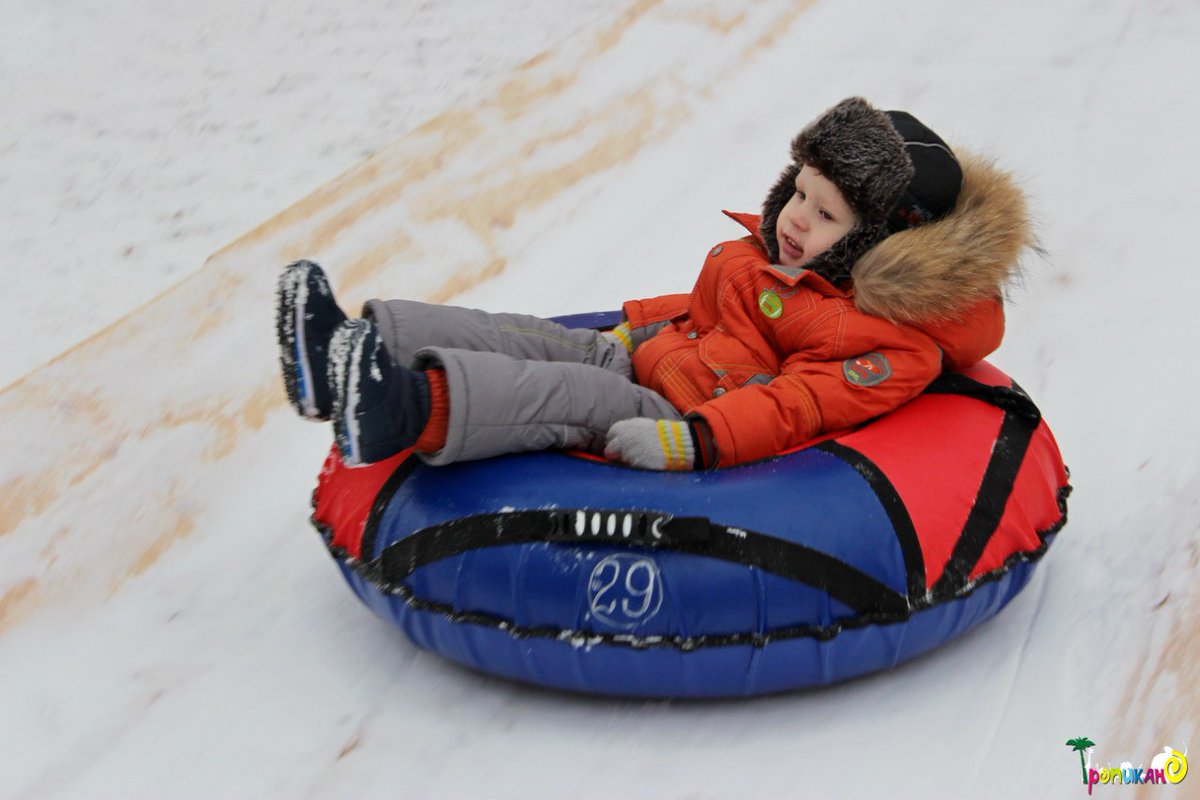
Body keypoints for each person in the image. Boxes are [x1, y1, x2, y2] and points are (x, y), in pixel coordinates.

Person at [275, 96, 1030, 470]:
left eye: (824, 212)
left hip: (681, 409)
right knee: (527, 338)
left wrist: (693, 442)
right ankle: (349, 346)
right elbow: (715, 314)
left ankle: (399, 408)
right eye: (797, 192)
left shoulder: (890, 346)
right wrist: (635, 326)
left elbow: (797, 407)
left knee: (563, 396)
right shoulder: (790, 258)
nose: (796, 218)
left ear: (880, 241)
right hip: (659, 357)